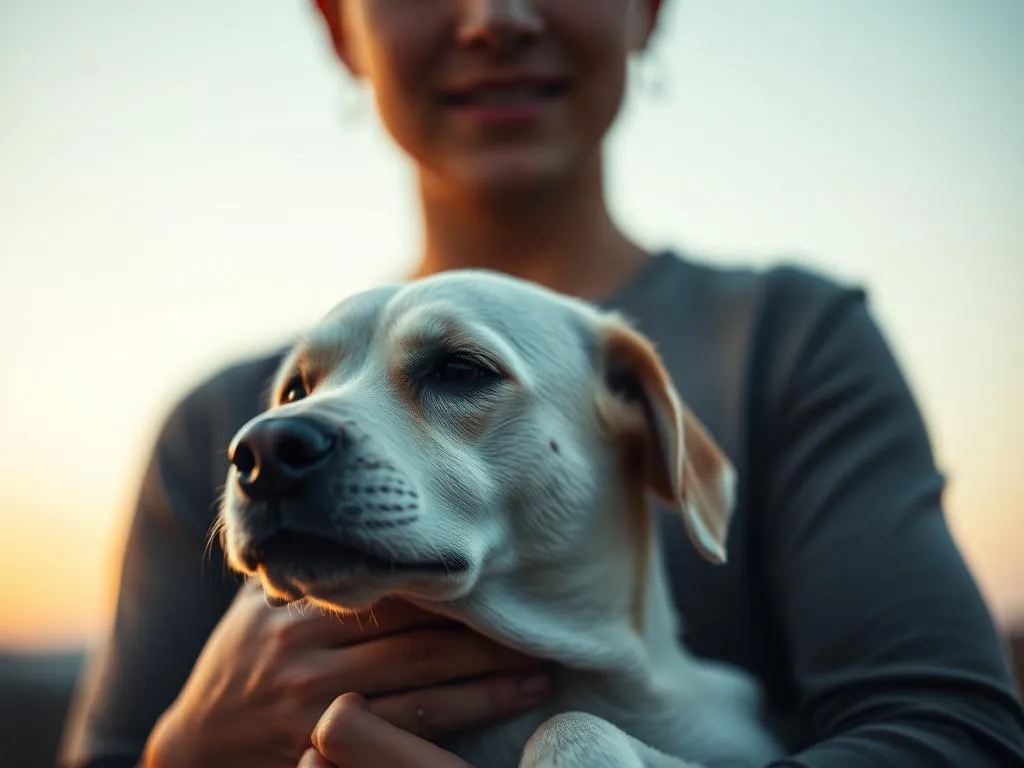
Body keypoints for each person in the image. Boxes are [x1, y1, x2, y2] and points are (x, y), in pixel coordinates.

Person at [59, 1, 1024, 766]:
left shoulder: (789, 340)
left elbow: (949, 732)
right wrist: (187, 754)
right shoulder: (209, 427)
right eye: (297, 395)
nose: (494, 16)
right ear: (334, 19)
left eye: (458, 372)